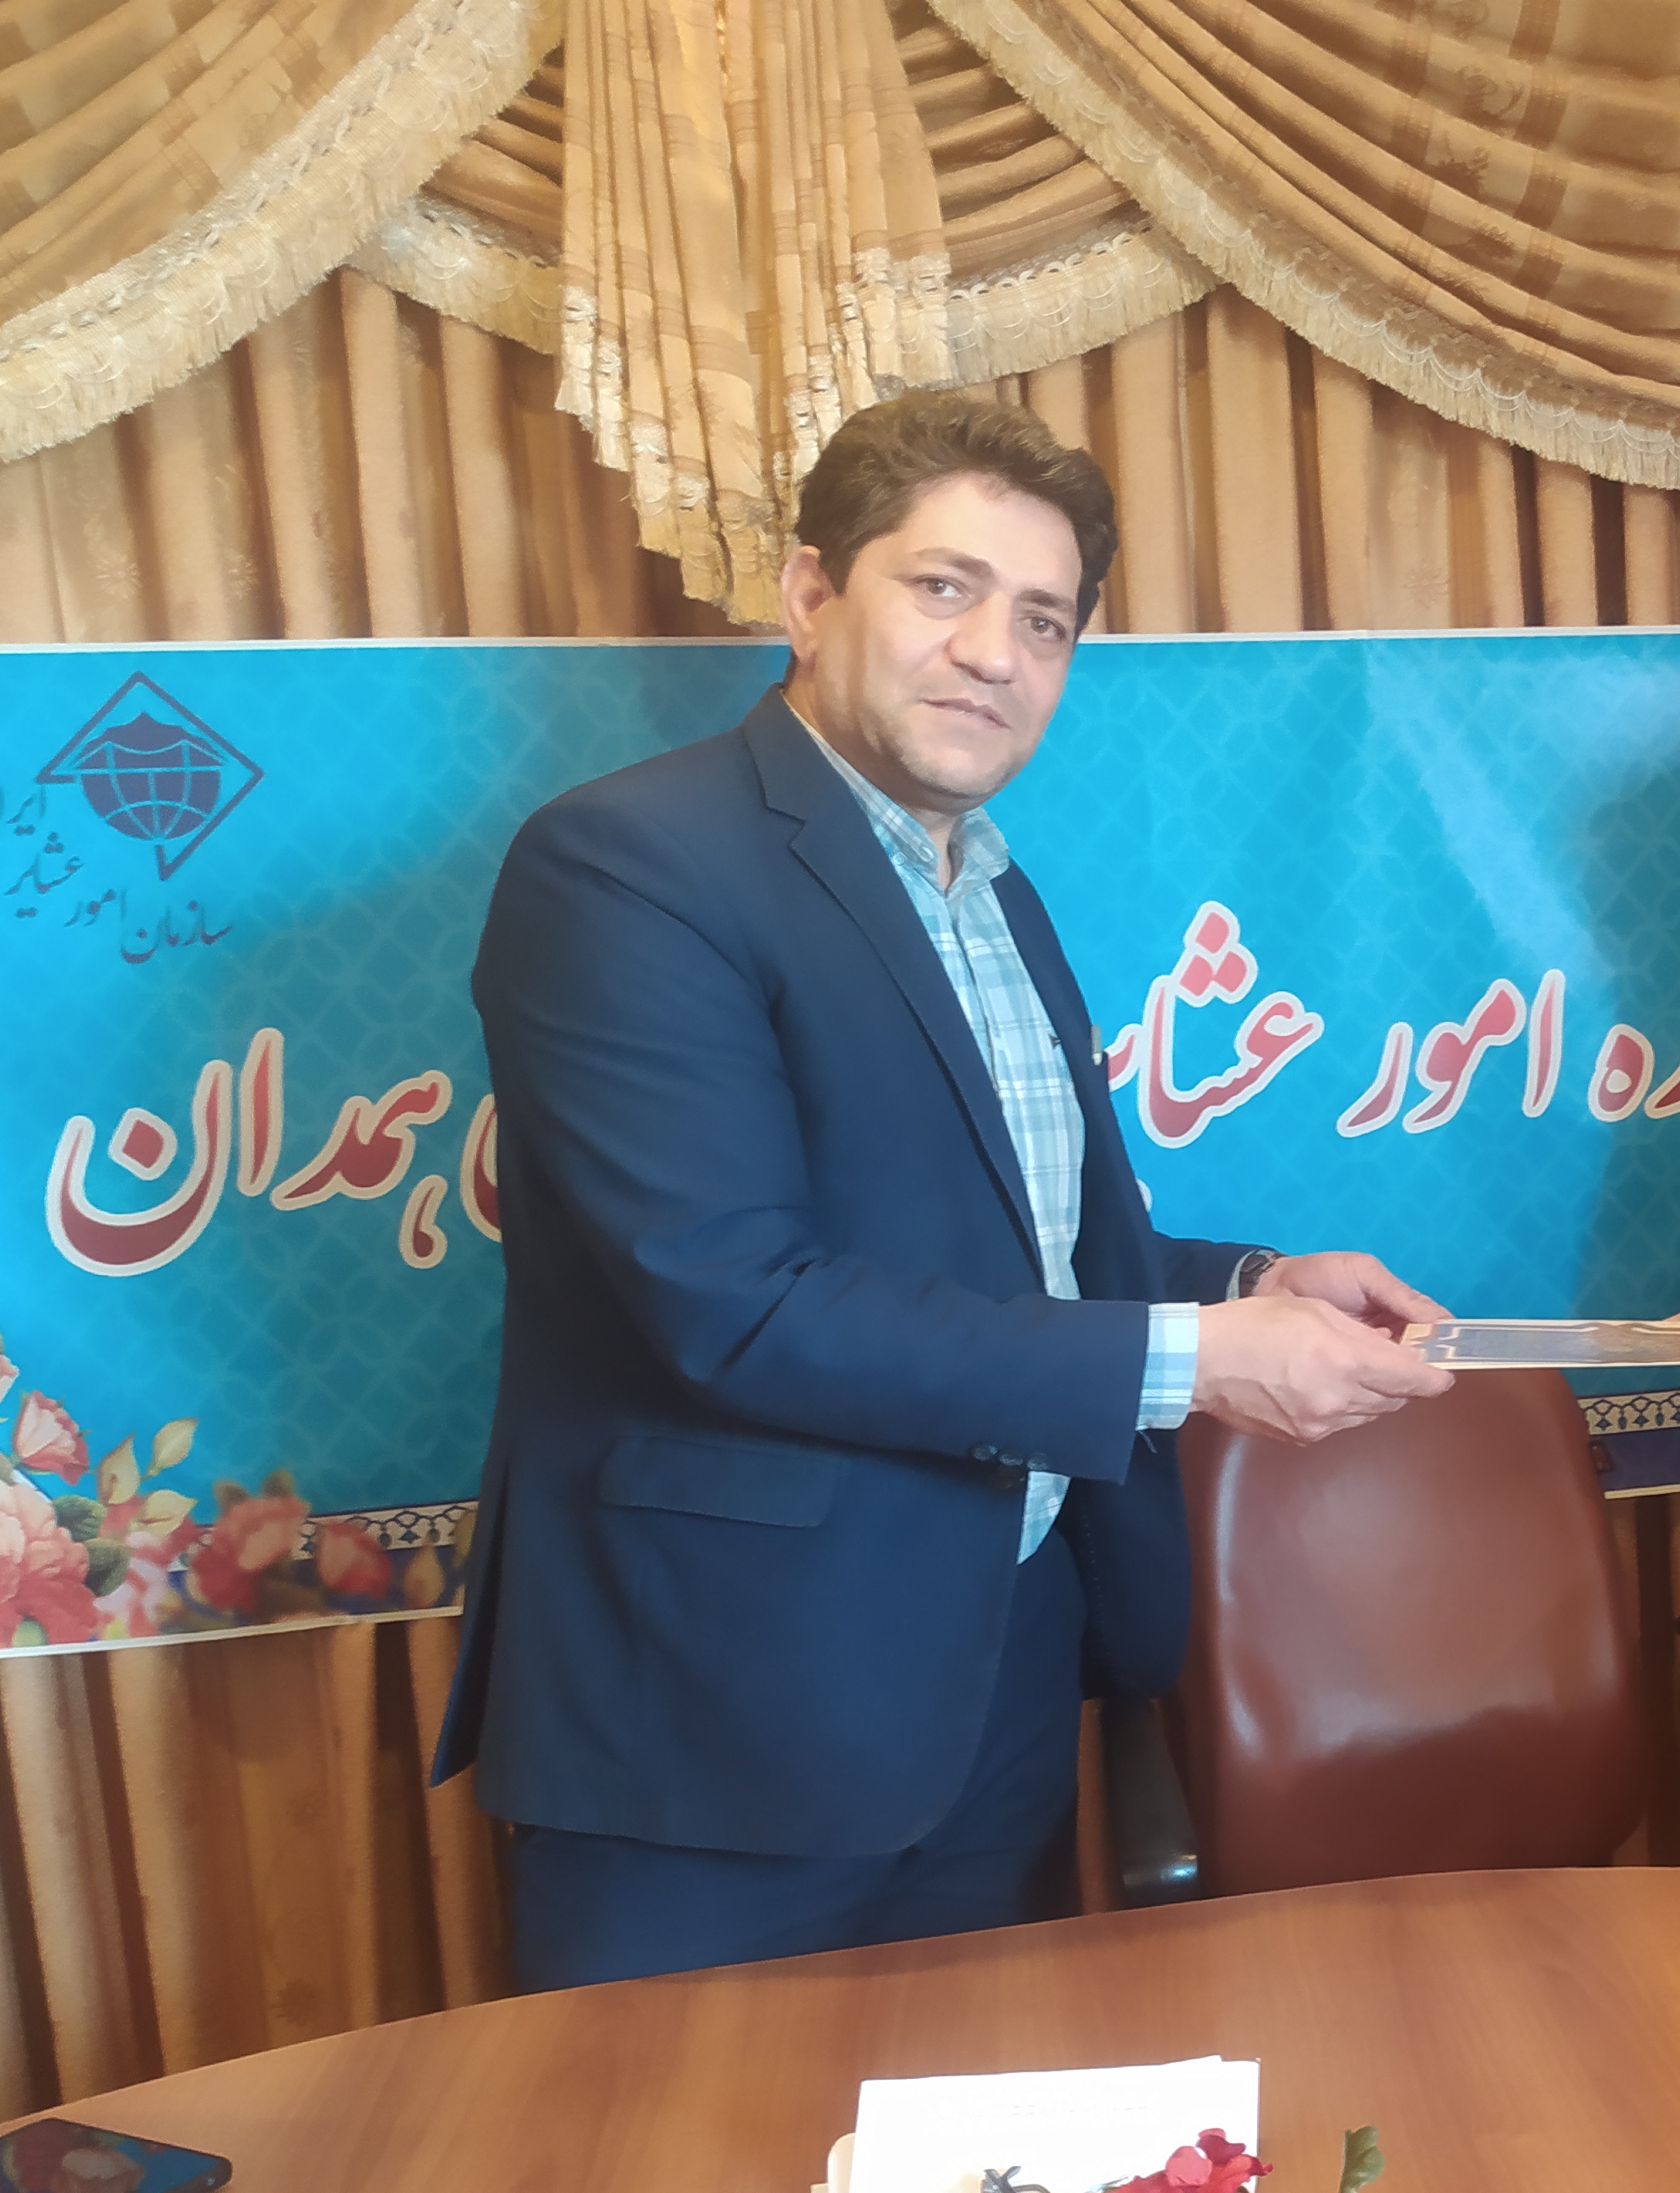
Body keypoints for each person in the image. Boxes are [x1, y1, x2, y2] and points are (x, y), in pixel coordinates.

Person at [432, 391, 1451, 1989]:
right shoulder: (627, 867)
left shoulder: (993, 891)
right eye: (943, 587)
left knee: (968, 2138)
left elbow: (1017, 1249)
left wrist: (1250, 1284)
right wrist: (1199, 1358)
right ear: (809, 592)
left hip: (999, 1668)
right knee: (685, 2149)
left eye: (1045, 619)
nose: (994, 653)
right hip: (723, 1711)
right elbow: (737, 1304)